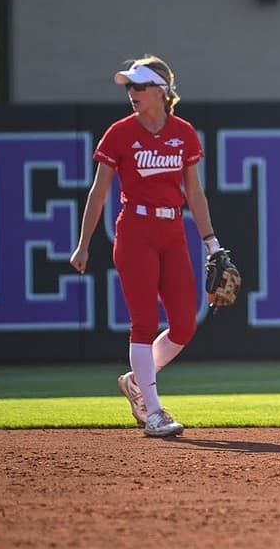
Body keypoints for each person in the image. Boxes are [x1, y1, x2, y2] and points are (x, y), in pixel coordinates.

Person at [70, 55, 224, 438]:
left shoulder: (183, 132)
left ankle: (136, 381)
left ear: (161, 90)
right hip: (135, 231)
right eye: (129, 87)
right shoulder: (120, 133)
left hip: (172, 232)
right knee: (143, 322)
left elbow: (195, 192)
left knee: (185, 324)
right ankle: (153, 412)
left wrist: (212, 243)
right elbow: (99, 191)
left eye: (139, 86)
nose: (132, 93)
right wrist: (83, 244)